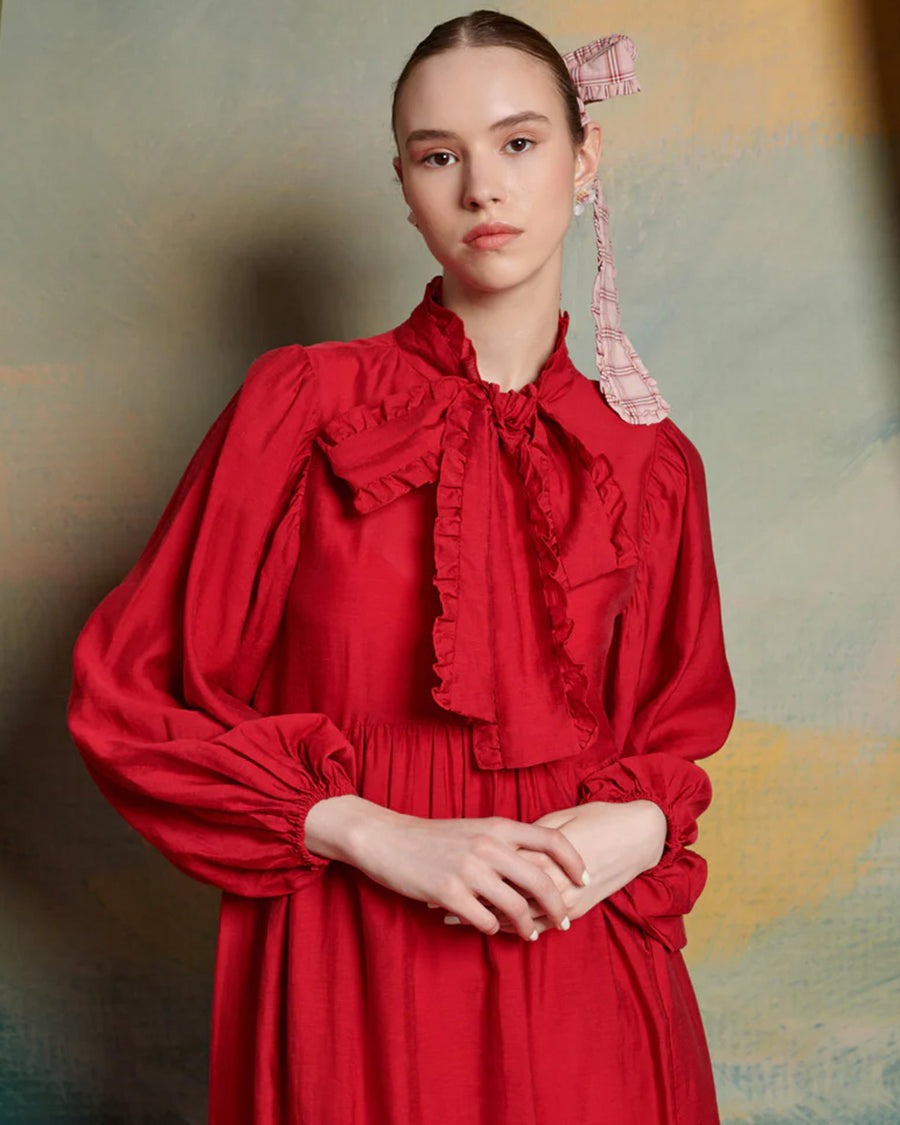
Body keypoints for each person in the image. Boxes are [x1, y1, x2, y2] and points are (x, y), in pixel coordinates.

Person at [67, 10, 736, 1124]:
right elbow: (129, 702)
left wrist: (651, 822)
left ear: (584, 160)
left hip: (580, 951)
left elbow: (674, 733)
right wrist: (372, 831)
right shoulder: (305, 403)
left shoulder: (653, 456)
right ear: (406, 184)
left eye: (519, 143)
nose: (483, 188)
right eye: (440, 156)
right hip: (354, 948)